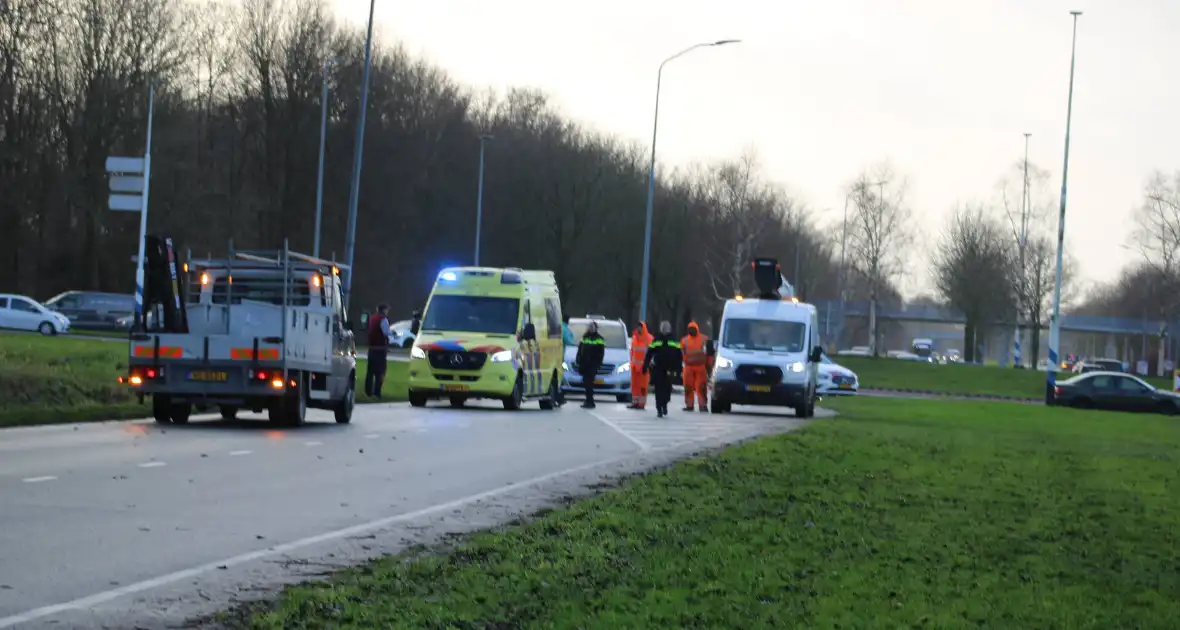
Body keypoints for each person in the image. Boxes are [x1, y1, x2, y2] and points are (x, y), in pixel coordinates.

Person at [643, 320, 682, 418]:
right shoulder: (657, 340)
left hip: (669, 369)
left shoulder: (674, 340)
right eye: (663, 328)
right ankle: (659, 409)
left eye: (666, 328)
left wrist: (678, 370)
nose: (665, 330)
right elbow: (649, 353)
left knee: (667, 389)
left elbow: (679, 356)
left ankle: (664, 404)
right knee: (658, 390)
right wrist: (645, 365)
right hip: (658, 368)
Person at [680, 320, 712, 412]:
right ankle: (689, 405)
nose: (691, 331)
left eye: (692, 329)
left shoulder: (704, 339)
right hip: (688, 367)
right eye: (689, 329)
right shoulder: (684, 340)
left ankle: (703, 405)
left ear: (696, 329)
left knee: (701, 387)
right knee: (688, 387)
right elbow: (681, 353)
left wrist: (709, 366)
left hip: (700, 367)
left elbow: (709, 354)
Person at [574, 321, 606, 409]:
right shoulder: (585, 337)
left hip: (593, 364)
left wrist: (598, 363)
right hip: (584, 364)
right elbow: (580, 349)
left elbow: (601, 353)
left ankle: (590, 400)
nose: (590, 328)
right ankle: (588, 400)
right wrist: (578, 359)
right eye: (589, 327)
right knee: (586, 382)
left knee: (589, 382)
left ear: (596, 328)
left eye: (592, 327)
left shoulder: (599, 338)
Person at [364, 303, 392, 398]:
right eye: (387, 310)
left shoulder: (372, 318)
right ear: (383, 310)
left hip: (371, 349)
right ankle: (377, 392)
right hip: (380, 349)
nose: (387, 312)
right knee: (380, 372)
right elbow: (386, 332)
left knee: (370, 372)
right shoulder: (383, 320)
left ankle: (368, 392)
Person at [627, 321, 653, 410]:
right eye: (638, 327)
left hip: (644, 367)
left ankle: (641, 404)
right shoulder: (634, 338)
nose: (639, 329)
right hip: (634, 367)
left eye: (640, 327)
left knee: (643, 386)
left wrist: (649, 365)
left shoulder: (649, 339)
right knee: (634, 386)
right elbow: (632, 352)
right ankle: (635, 402)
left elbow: (652, 354)